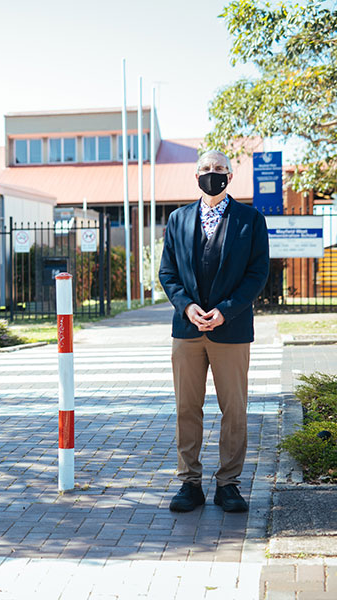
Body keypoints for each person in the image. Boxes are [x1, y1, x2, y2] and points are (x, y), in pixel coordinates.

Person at [159, 150, 269, 513]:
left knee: (234, 410)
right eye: (206, 169)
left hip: (231, 329)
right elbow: (168, 273)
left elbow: (257, 274)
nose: (213, 174)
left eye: (220, 169)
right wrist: (187, 306)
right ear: (196, 176)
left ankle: (229, 485)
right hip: (186, 330)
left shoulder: (250, 220)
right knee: (186, 408)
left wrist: (224, 311)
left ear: (230, 176)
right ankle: (189, 483)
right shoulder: (177, 219)